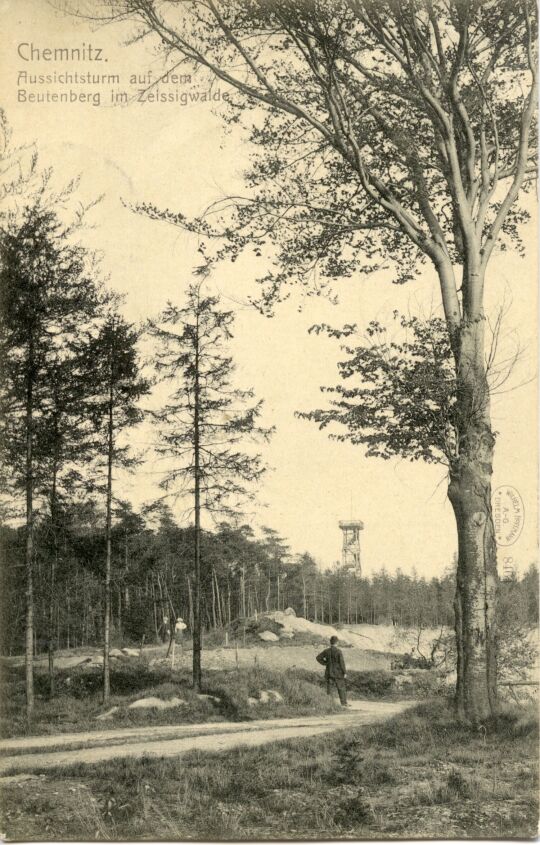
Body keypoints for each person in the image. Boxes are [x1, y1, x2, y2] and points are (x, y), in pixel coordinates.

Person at [316, 635, 349, 707]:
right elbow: (342, 663)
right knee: (341, 688)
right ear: (337, 642)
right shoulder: (338, 651)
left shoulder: (326, 651)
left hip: (329, 672)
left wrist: (325, 663)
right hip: (338, 673)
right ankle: (344, 703)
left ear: (330, 642)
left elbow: (318, 658)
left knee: (329, 688)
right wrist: (344, 672)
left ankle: (330, 703)